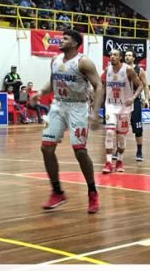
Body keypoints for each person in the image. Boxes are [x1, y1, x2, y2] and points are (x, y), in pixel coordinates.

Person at [40, 30, 103, 213]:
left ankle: (92, 191)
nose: (61, 40)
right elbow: (51, 84)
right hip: (58, 106)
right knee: (46, 147)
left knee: (80, 152)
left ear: (75, 43)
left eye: (65, 38)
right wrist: (40, 92)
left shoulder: (83, 62)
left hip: (78, 107)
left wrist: (95, 112)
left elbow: (99, 86)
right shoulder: (55, 60)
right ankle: (57, 191)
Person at [102, 49, 143, 174]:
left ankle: (119, 160)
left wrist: (133, 98)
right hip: (110, 105)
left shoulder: (128, 70)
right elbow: (102, 85)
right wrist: (95, 98)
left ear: (120, 58)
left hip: (124, 107)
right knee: (109, 132)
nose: (112, 57)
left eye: (115, 55)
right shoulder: (107, 70)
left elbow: (140, 85)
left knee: (121, 136)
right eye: (111, 55)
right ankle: (108, 162)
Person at [124, 50, 149, 162]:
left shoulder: (139, 70)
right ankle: (118, 150)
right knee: (120, 127)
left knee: (138, 127)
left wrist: (147, 98)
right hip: (123, 100)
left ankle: (139, 151)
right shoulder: (121, 69)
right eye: (126, 55)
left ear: (134, 58)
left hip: (135, 100)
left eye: (129, 55)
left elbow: (145, 85)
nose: (127, 57)